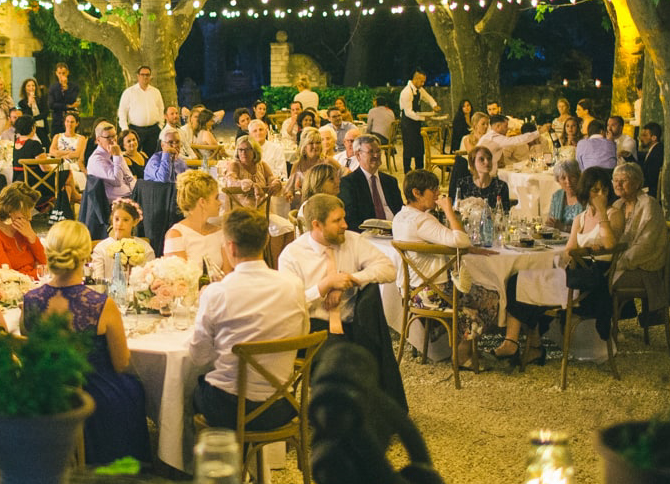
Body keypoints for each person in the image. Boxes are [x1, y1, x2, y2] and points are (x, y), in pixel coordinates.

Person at [24, 220, 151, 465]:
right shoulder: (101, 305)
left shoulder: (31, 300)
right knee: (133, 388)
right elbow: (122, 362)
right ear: (85, 256)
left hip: (48, 392)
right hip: (95, 397)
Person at [280, 193, 405, 410]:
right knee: (343, 360)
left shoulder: (352, 241)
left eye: (344, 218)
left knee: (374, 335)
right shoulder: (292, 255)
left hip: (352, 321)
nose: (345, 225)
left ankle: (380, 412)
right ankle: (342, 422)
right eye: (337, 221)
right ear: (316, 225)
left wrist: (350, 280)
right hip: (313, 327)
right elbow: (288, 305)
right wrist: (324, 286)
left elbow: (388, 269)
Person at [189, 207, 309, 431]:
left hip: (229, 408)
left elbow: (198, 358)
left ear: (231, 247)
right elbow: (302, 335)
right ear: (265, 242)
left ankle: (204, 461)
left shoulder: (217, 293)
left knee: (189, 390)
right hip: (282, 405)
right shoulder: (293, 286)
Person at [501, 167, 622, 357]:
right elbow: (568, 251)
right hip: (575, 273)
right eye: (595, 190)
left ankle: (529, 346)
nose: (601, 195)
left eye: (604, 190)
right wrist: (573, 255)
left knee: (527, 285)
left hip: (593, 280)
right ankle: (519, 342)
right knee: (518, 280)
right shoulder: (580, 218)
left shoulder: (613, 214)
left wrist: (601, 214)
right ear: (586, 191)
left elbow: (610, 244)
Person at [391, 170, 474, 363]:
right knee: (489, 294)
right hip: (433, 294)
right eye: (433, 189)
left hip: (410, 292)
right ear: (417, 193)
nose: (438, 194)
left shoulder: (400, 217)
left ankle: (445, 337)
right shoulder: (423, 221)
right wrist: (448, 210)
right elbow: (461, 241)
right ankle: (463, 351)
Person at [611, 162, 670, 325]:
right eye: (615, 180)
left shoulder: (649, 205)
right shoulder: (618, 205)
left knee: (601, 283)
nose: (618, 184)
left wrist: (618, 263)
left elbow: (646, 245)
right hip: (623, 264)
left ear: (637, 183)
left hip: (644, 270)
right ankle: (603, 329)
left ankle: (606, 332)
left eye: (623, 180)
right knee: (593, 276)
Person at [164, 170, 229, 275]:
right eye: (216, 198)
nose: (220, 202)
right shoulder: (176, 234)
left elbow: (228, 273)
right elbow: (177, 278)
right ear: (202, 202)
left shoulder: (221, 233)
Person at [0, 182, 46, 277]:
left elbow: (45, 262)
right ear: (10, 211)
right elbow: (7, 277)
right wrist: (38, 273)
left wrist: (32, 237)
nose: (30, 217)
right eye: (25, 212)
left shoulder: (22, 228)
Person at [338, 134, 403, 230]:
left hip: (395, 230)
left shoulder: (390, 181)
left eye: (378, 151)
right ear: (358, 155)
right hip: (368, 233)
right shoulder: (348, 183)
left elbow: (400, 210)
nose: (376, 155)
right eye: (371, 152)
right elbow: (351, 218)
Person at [90, 199, 155, 280]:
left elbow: (149, 277)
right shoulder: (101, 248)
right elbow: (97, 278)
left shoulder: (144, 247)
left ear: (135, 222)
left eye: (126, 220)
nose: (119, 224)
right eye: (116, 219)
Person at [117, 65, 164, 156]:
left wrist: (160, 125)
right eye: (142, 75)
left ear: (150, 76)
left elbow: (161, 109)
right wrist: (126, 130)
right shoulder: (129, 92)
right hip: (135, 130)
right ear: (138, 76)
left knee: (153, 157)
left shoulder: (156, 92)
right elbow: (122, 112)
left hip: (153, 130)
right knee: (133, 156)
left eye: (147, 75)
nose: (145, 77)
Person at [399, 69, 440, 171]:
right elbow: (408, 112)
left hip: (416, 121)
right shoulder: (406, 92)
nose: (423, 83)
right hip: (407, 122)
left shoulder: (419, 89)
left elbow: (428, 97)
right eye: (421, 81)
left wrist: (434, 105)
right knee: (408, 147)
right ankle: (407, 170)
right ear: (415, 79)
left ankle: (419, 169)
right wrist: (423, 118)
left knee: (419, 146)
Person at [86, 121, 136, 204]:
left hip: (131, 196)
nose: (113, 140)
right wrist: (117, 156)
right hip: (116, 202)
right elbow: (117, 181)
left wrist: (137, 191)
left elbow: (128, 175)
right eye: (108, 137)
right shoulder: (96, 160)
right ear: (98, 140)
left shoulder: (115, 151)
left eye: (114, 136)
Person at [479, 114, 548, 172]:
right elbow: (517, 140)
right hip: (484, 172)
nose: (508, 129)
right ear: (498, 126)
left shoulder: (488, 136)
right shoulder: (495, 138)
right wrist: (539, 132)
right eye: (505, 126)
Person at [452, 146, 513, 212]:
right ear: (473, 163)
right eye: (481, 159)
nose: (487, 162)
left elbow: (505, 213)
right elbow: (456, 209)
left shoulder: (500, 186)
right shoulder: (463, 183)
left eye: (489, 159)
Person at [286, 128, 327, 209]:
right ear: (304, 147)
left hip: (320, 206)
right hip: (300, 206)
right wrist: (289, 194)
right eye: (311, 143)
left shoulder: (326, 163)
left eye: (318, 143)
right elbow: (289, 187)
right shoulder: (297, 165)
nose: (315, 146)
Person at [546, 159, 584, 231]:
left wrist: (564, 227)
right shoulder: (557, 196)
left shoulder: (585, 196)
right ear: (558, 180)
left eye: (572, 177)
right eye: (563, 178)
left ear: (579, 177)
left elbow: (587, 228)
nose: (568, 182)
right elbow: (551, 222)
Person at [48, 62, 80, 131]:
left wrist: (66, 89)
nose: (61, 75)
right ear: (56, 73)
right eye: (59, 73)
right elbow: (51, 105)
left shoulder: (74, 87)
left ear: (67, 73)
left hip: (70, 120)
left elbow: (72, 100)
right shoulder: (53, 87)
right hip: (57, 120)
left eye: (63, 73)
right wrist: (67, 106)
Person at [17, 77, 48, 146]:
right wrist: (29, 105)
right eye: (28, 86)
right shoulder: (21, 103)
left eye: (33, 85)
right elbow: (26, 117)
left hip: (42, 128)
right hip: (30, 130)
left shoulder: (41, 99)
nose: (31, 87)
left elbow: (45, 113)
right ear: (24, 88)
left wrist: (34, 119)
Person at [639, 122, 664, 197]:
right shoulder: (654, 150)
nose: (641, 138)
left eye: (644, 135)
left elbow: (651, 177)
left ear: (654, 138)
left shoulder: (657, 152)